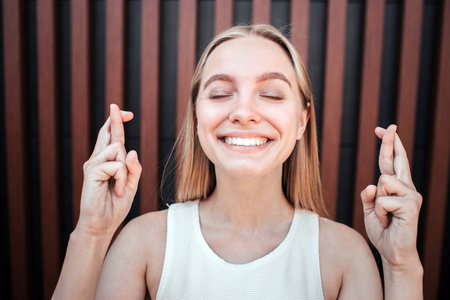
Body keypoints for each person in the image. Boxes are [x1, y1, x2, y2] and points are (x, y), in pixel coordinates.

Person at [53, 24, 423, 299]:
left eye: (272, 94)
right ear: (197, 119)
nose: (244, 112)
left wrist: (401, 266)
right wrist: (92, 233)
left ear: (301, 120)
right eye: (221, 93)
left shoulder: (345, 257)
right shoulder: (143, 245)